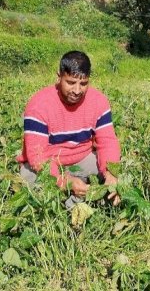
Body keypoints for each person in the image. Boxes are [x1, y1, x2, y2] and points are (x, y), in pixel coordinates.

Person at [18, 51, 121, 209]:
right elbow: (37, 157)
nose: (77, 90)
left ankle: (79, 202)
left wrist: (110, 173)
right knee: (29, 182)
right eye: (71, 82)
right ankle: (72, 202)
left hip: (82, 159)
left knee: (110, 179)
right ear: (59, 77)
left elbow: (107, 141)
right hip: (46, 163)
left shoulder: (99, 102)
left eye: (83, 83)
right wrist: (65, 181)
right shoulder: (38, 105)